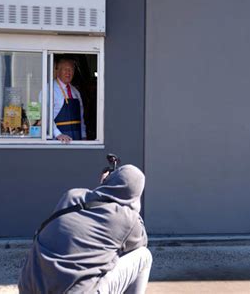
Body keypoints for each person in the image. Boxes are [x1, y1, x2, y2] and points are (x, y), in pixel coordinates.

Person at [18, 164, 153, 294]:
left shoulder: (71, 195)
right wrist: (133, 206)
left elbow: (84, 219)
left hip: (30, 288)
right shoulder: (127, 218)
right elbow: (140, 244)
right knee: (144, 255)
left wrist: (103, 185)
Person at [53, 58, 87, 143]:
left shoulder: (75, 91)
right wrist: (57, 134)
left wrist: (83, 135)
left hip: (77, 140)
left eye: (71, 70)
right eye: (65, 69)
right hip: (58, 141)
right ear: (58, 71)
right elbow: (45, 117)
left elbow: (81, 118)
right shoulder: (49, 90)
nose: (68, 72)